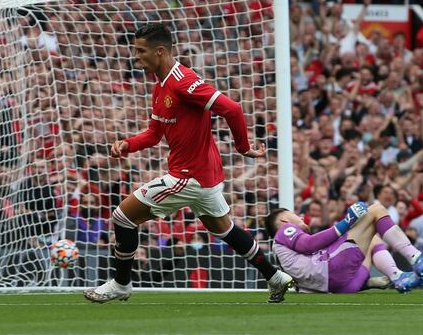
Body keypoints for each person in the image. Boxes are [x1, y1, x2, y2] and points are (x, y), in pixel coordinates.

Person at [83, 24, 294, 303]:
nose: (136, 56)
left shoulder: (183, 81)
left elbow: (232, 108)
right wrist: (128, 144)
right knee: (224, 229)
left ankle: (121, 284)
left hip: (189, 176)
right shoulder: (161, 85)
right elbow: (155, 134)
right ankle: (276, 278)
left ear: (160, 51)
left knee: (123, 217)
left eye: (140, 50)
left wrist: (243, 148)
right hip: (204, 176)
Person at [265, 202, 423, 294]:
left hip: (344, 285)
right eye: (295, 214)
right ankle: (415, 260)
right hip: (333, 269)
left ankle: (396, 276)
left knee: (372, 236)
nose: (300, 217)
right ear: (284, 220)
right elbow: (309, 244)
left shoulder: (284, 253)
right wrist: (346, 222)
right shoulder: (285, 231)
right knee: (376, 210)